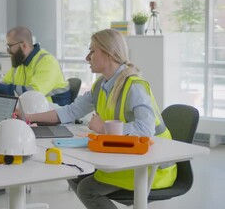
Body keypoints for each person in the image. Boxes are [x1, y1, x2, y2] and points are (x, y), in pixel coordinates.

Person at [22, 29, 177, 209]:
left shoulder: (134, 86)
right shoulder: (101, 85)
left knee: (87, 189)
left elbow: (145, 129)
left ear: (109, 53)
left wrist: (105, 128)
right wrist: (28, 117)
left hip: (153, 165)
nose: (87, 57)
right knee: (74, 172)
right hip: (128, 156)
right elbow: (70, 112)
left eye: (92, 51)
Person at [0, 26, 71, 106]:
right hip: (31, 111)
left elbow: (32, 94)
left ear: (24, 45)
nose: (8, 51)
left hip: (51, 113)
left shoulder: (47, 62)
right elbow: (6, 83)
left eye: (10, 46)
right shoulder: (19, 64)